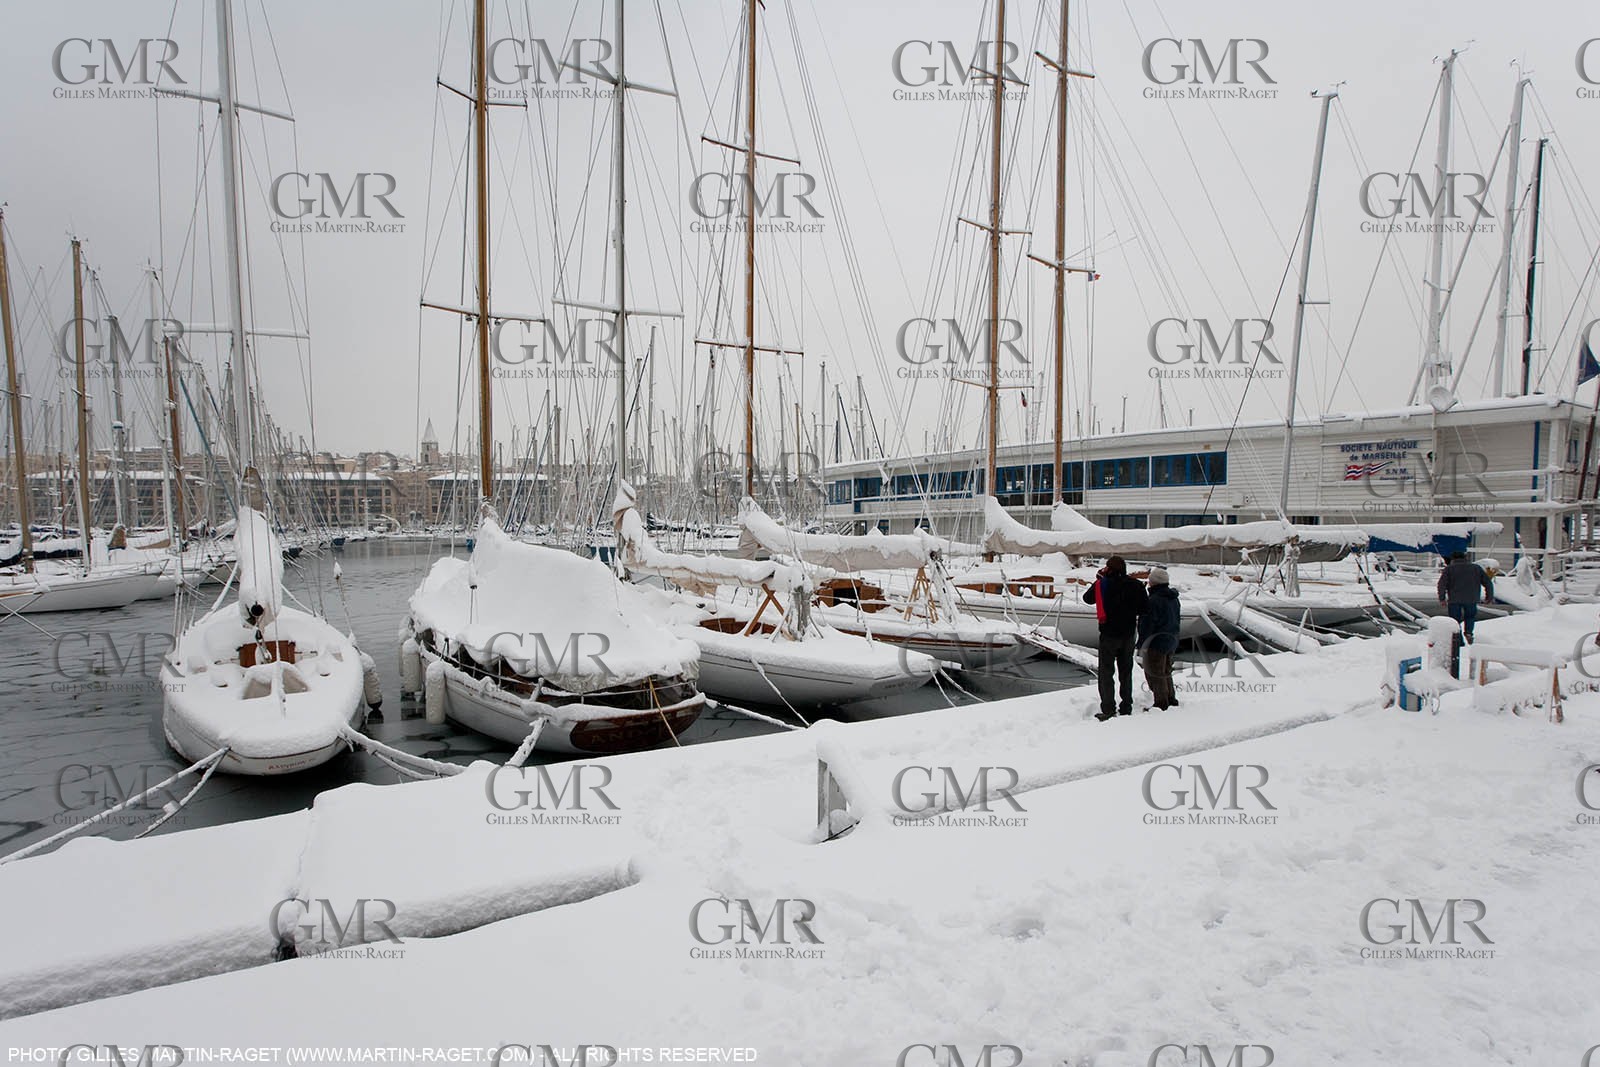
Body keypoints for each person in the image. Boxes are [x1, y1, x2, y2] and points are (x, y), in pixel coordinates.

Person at [1083, 555, 1148, 720]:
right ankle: (1126, 706)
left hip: (1109, 635)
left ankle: (1108, 708)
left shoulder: (1102, 584)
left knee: (1106, 672)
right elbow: (1144, 608)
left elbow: (1087, 599)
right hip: (1128, 634)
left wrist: (1098, 580)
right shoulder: (1136, 585)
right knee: (1126, 672)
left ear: (1108, 569)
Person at [1138, 566, 1182, 710]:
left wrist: (1142, 643)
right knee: (1166, 671)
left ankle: (1161, 703)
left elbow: (1147, 624)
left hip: (1156, 641)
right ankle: (1171, 698)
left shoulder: (1153, 600)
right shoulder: (1174, 599)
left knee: (1155, 673)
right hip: (1171, 639)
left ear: (1153, 582)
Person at [1436, 550, 1494, 642]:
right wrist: (1489, 597)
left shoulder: (1449, 569)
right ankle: (1469, 633)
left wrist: (1442, 598)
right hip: (1472, 598)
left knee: (1455, 620)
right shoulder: (1476, 568)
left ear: (1453, 559)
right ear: (1465, 558)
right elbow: (1488, 583)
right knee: (1470, 617)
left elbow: (1441, 584)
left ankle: (1458, 639)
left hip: (1454, 599)